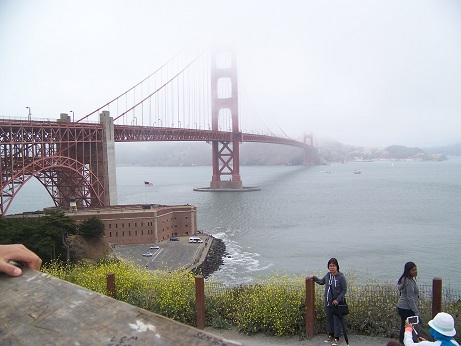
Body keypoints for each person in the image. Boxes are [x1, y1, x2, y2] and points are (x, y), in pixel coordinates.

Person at [307, 258, 347, 346]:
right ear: (328, 267)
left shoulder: (341, 277)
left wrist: (338, 299)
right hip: (328, 302)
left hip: (337, 303)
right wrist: (313, 278)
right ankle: (331, 335)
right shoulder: (328, 275)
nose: (332, 268)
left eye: (333, 266)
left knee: (337, 320)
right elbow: (321, 281)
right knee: (329, 319)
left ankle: (337, 338)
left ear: (337, 267)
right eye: (330, 266)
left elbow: (344, 290)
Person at [397, 262, 420, 343]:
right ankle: (405, 343)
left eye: (416, 269)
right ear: (408, 271)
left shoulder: (404, 279)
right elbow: (410, 298)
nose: (416, 271)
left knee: (404, 326)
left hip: (402, 307)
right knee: (408, 328)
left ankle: (402, 342)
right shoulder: (409, 282)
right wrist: (416, 311)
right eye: (413, 270)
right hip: (407, 308)